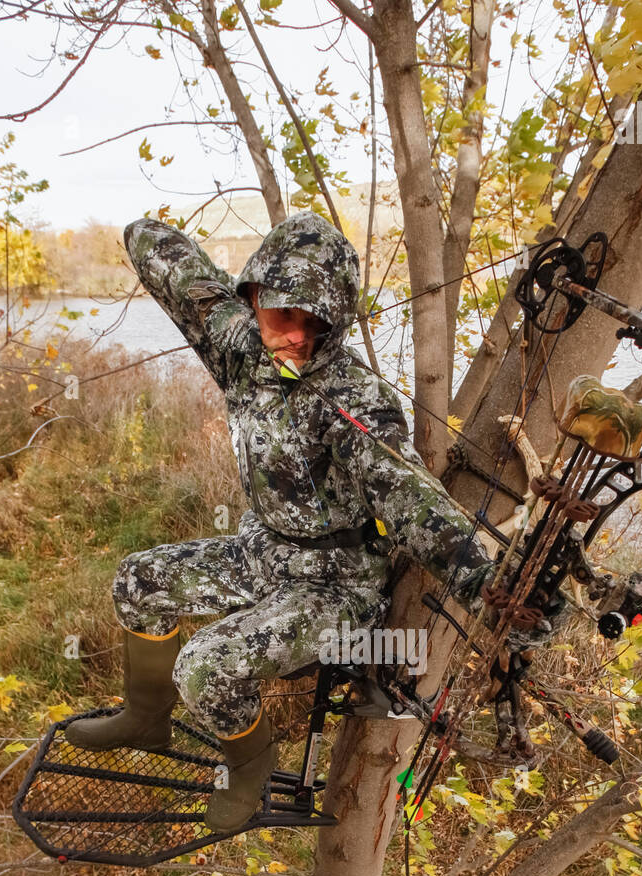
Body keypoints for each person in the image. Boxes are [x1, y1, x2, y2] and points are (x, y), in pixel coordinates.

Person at [66, 209, 494, 834]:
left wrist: (486, 582)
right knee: (139, 582)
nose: (295, 336)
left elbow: (406, 495)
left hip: (336, 587)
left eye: (315, 323)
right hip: (264, 551)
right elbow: (167, 262)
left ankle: (252, 767)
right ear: (254, 297)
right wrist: (139, 229)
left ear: (335, 324)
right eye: (282, 314)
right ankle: (145, 718)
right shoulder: (239, 346)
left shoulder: (356, 400)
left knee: (206, 666)